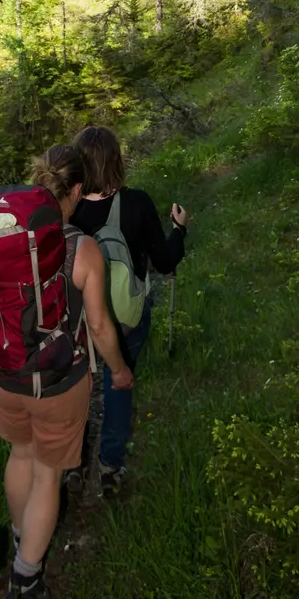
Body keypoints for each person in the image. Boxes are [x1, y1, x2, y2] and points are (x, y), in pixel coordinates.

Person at [0, 143, 131, 599]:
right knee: (48, 473)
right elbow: (99, 326)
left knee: (20, 456)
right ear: (77, 189)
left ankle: (22, 539)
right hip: (58, 384)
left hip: (2, 375)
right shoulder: (82, 249)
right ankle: (27, 575)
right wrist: (119, 371)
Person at [71, 125, 188, 495]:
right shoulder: (136, 203)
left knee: (79, 386)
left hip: (81, 322)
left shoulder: (67, 211)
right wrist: (179, 230)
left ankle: (72, 464)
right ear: (117, 161)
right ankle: (110, 466)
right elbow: (165, 260)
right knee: (119, 383)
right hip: (127, 318)